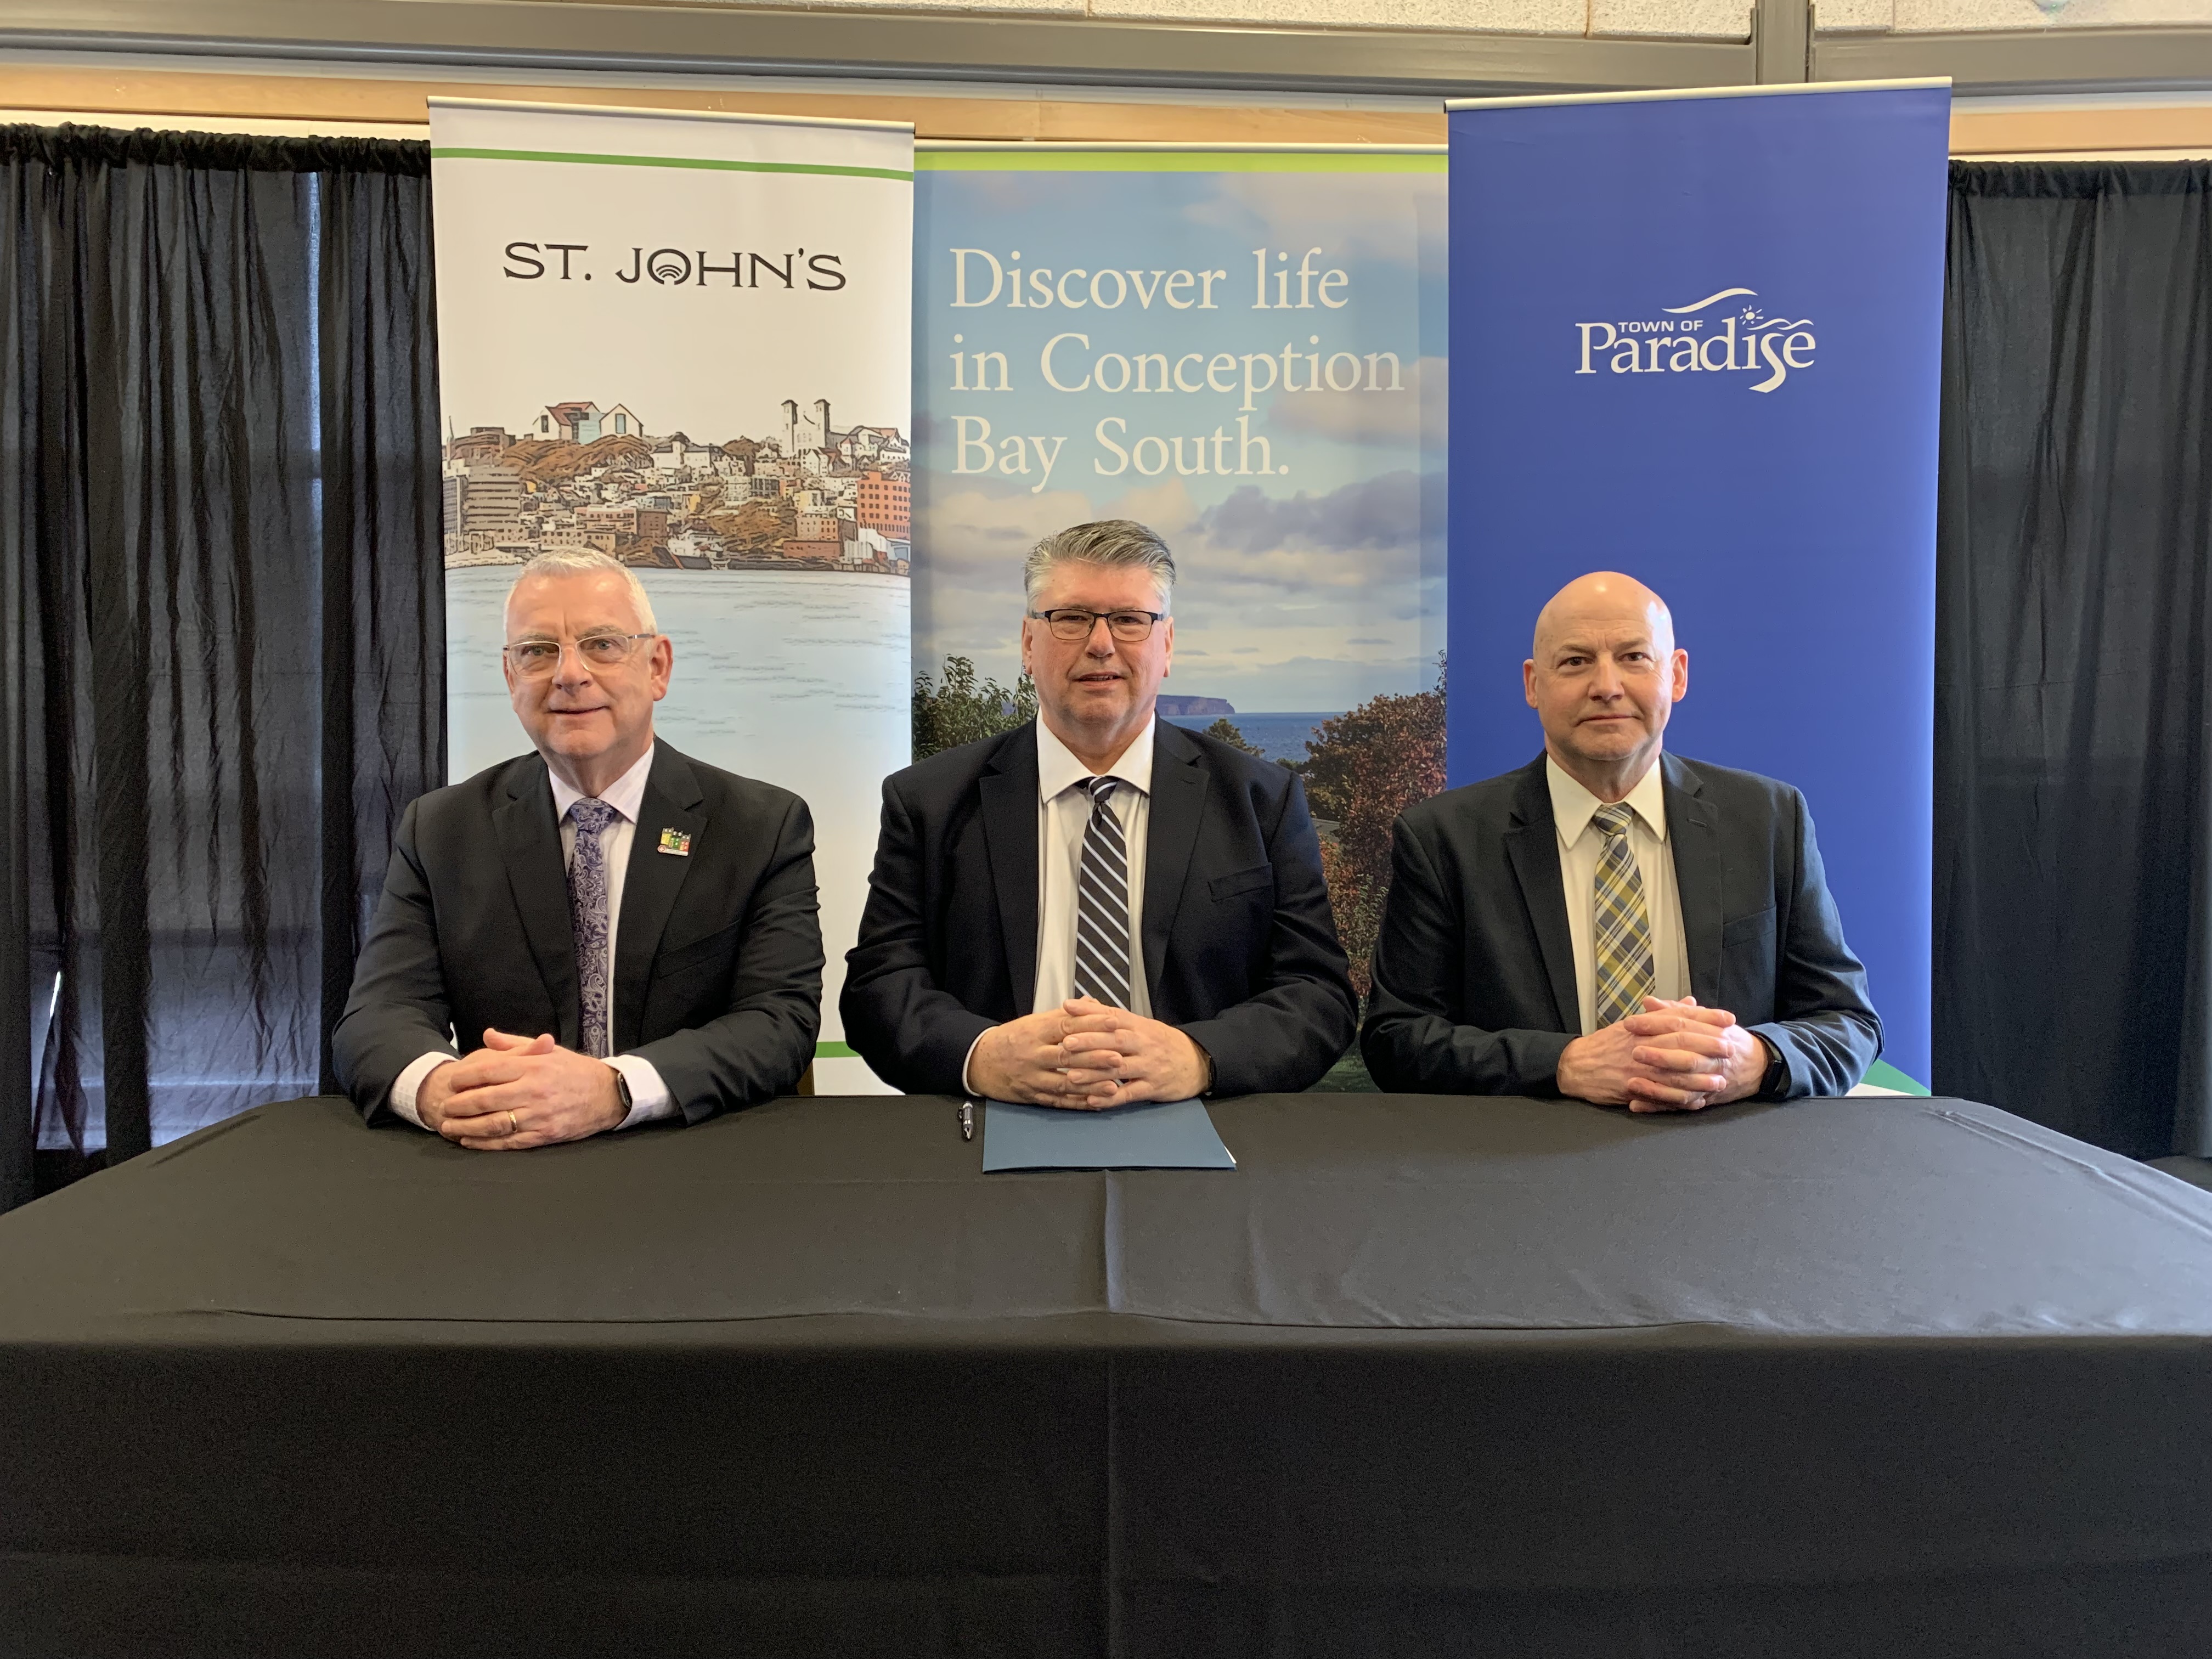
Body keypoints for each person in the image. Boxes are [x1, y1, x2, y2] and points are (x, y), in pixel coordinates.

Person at [842, 520, 1357, 1104]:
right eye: (1072, 617)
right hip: (990, 1127)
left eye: (1130, 619)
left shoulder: (1262, 801)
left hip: (1205, 1130)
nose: (1101, 643)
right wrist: (981, 1058)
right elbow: (879, 989)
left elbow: (1318, 995)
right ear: (1028, 644)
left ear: (1167, 646)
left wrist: (1200, 1059)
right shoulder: (928, 801)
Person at [332, 548, 822, 1148]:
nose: (569, 673)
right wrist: (447, 1091)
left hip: (694, 1159)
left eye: (603, 645)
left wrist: (613, 1089)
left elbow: (779, 1022)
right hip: (500, 1164)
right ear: (511, 677)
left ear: (658, 667)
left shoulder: (760, 826)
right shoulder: (440, 830)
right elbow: (377, 1018)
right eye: (538, 652)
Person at [1362, 571, 1880, 1108]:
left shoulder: (1769, 819)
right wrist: (1562, 1065)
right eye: (1575, 661)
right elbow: (1396, 1041)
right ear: (1533, 684)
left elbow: (1847, 1021)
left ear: (1677, 675)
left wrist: (1758, 1059)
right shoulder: (1444, 839)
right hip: (1526, 1164)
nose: (1606, 686)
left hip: (1731, 1163)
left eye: (1634, 658)